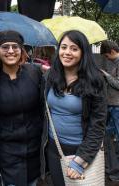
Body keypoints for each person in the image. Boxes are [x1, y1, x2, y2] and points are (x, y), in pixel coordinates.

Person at [40, 30, 107, 185]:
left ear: (83, 53)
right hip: (54, 148)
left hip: (80, 150)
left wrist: (81, 159)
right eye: (63, 47)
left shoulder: (95, 80)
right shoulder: (51, 76)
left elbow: (98, 124)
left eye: (74, 49)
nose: (67, 53)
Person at [0, 30, 44, 186]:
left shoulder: (34, 72)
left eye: (15, 47)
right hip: (7, 149)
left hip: (34, 147)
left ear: (21, 49)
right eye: (5, 47)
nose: (10, 51)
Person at [100, 40, 119, 181]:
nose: (106, 58)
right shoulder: (114, 63)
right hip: (112, 105)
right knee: (109, 138)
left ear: (112, 51)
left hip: (117, 106)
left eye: (106, 56)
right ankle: (113, 170)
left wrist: (106, 75)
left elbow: (118, 84)